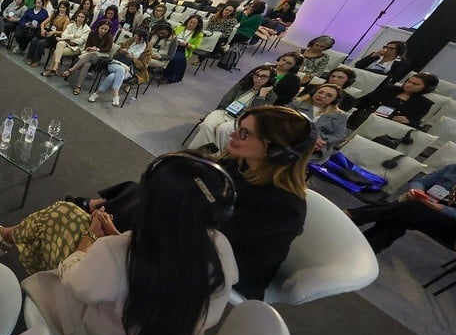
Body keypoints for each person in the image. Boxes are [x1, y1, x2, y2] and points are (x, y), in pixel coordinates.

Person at [7, 152, 238, 335]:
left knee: (60, 223)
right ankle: (10, 234)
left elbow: (76, 284)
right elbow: (166, 263)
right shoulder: (222, 248)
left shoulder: (118, 254)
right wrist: (119, 238)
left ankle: (11, 235)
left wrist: (90, 239)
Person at [73, 106, 311, 300]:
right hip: (187, 235)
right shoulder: (238, 164)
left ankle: (95, 218)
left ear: (278, 150)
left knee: (142, 200)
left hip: (212, 269)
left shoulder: (283, 207)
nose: (232, 135)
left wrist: (122, 240)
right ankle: (97, 214)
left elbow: (209, 246)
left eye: (245, 133)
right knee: (149, 191)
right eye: (239, 127)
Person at [347, 164, 456, 253]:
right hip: (425, 206)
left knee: (408, 209)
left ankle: (352, 217)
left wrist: (440, 208)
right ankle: (364, 249)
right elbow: (420, 182)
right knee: (400, 215)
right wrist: (418, 191)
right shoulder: (452, 168)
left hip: (452, 227)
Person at [187, 65, 277, 151]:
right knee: (207, 125)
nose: (258, 79)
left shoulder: (271, 96)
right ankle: (200, 152)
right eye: (256, 75)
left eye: (263, 77)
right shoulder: (242, 85)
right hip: (224, 111)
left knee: (223, 130)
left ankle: (208, 154)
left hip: (241, 120)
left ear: (270, 80)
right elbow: (225, 101)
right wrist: (235, 111)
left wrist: (261, 96)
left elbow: (256, 114)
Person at [349, 72, 437, 129]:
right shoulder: (389, 89)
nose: (409, 85)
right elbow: (363, 100)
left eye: (415, 84)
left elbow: (416, 123)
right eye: (409, 81)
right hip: (363, 117)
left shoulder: (424, 103)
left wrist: (408, 122)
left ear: (426, 88)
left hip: (387, 127)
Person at [88, 28, 152, 106]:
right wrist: (122, 50)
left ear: (142, 39)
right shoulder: (131, 41)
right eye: (134, 37)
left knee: (113, 76)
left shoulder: (147, 51)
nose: (134, 39)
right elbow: (119, 49)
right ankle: (115, 95)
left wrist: (133, 58)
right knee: (120, 69)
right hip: (116, 63)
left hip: (130, 68)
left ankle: (97, 93)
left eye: (136, 38)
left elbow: (143, 66)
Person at [289, 84, 348, 163]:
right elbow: (284, 122)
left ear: (335, 100)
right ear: (313, 93)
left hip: (316, 147)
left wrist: (320, 140)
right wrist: (310, 137)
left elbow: (338, 136)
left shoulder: (340, 115)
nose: (322, 96)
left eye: (329, 95)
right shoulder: (296, 103)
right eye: (320, 92)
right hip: (291, 137)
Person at [65, 20, 114, 96]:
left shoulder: (109, 37)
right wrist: (89, 48)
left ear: (108, 30)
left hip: (101, 57)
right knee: (86, 65)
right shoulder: (92, 34)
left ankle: (71, 70)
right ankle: (78, 86)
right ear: (98, 27)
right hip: (89, 55)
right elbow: (87, 45)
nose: (103, 31)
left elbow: (108, 49)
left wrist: (97, 49)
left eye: (105, 29)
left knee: (92, 55)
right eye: (102, 28)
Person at [43, 10, 90, 76]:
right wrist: (74, 36)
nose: (79, 18)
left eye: (82, 17)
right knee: (60, 43)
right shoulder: (71, 25)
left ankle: (51, 69)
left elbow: (80, 41)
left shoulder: (87, 29)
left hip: (76, 48)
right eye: (78, 16)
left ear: (85, 19)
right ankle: (56, 65)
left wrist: (69, 38)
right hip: (66, 43)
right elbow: (63, 35)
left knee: (56, 52)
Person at [25, 1, 69, 67]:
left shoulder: (67, 19)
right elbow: (43, 23)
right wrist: (42, 29)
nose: (61, 9)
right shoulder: (54, 14)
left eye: (63, 8)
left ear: (67, 9)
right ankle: (30, 58)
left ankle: (37, 60)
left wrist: (54, 32)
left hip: (55, 37)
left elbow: (64, 32)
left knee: (41, 42)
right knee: (34, 39)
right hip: (48, 33)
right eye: (60, 7)